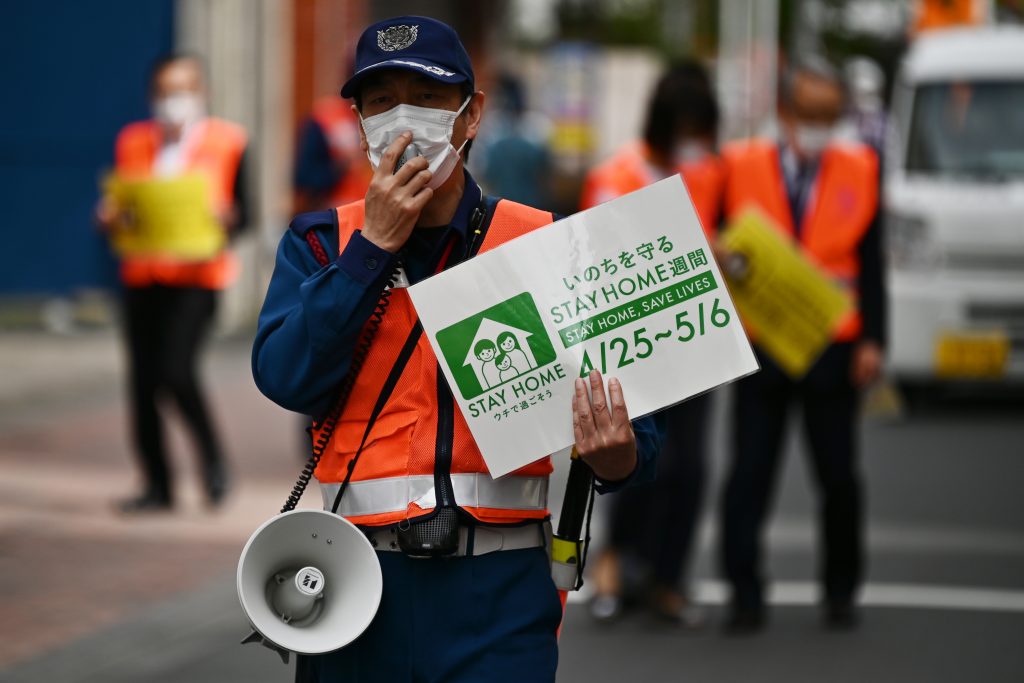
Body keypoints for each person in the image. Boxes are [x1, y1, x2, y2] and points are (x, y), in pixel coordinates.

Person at [252, 16, 661, 682]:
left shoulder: (541, 243)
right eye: (380, 101)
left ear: (472, 117)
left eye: (428, 97)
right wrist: (369, 253)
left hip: (498, 595)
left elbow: (636, 430)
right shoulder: (322, 242)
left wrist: (619, 456)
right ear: (357, 121)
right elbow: (285, 375)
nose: (402, 119)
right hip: (355, 587)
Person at [718, 57, 886, 633]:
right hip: (760, 343)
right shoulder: (739, 164)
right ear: (785, 112)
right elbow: (713, 242)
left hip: (831, 348)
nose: (820, 125)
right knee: (749, 476)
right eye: (810, 114)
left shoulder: (861, 166)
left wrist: (874, 339)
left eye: (830, 115)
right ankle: (743, 593)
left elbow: (871, 260)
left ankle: (842, 590)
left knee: (838, 477)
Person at [579, 61, 724, 626]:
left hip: (696, 342)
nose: (695, 142)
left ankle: (668, 578)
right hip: (634, 348)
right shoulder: (618, 175)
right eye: (687, 129)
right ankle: (615, 567)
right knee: (635, 459)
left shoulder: (710, 173)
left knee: (690, 467)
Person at [98, 54, 248, 513]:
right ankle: (157, 484)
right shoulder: (133, 141)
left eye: (182, 89)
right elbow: (122, 202)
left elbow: (246, 213)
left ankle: (214, 463)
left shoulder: (229, 142)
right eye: (165, 91)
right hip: (143, 274)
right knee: (142, 382)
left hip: (198, 278)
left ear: (200, 92)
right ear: (152, 95)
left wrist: (228, 219)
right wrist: (110, 217)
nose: (173, 100)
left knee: (177, 371)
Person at [293, 92, 373, 212]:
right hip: (334, 214)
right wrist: (341, 167)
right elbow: (305, 177)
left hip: (372, 208)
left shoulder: (379, 119)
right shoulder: (323, 119)